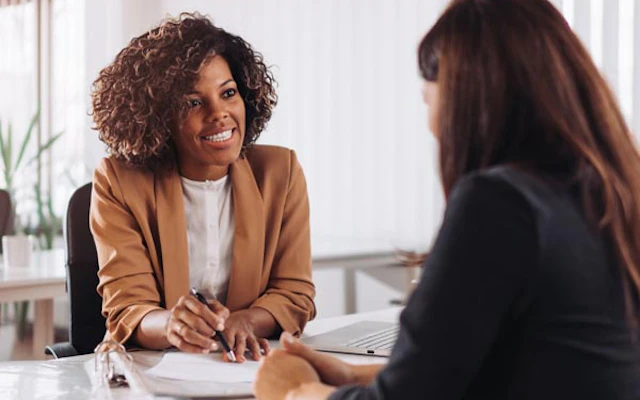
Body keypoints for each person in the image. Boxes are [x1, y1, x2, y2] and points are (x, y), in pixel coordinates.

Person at [254, 0, 640, 398]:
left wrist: (296, 391)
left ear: (466, 100)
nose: (433, 127)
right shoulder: (611, 190)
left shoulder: (500, 204)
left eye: (428, 99)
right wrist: (354, 376)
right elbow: (531, 363)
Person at [90, 13, 316, 362]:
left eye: (228, 93)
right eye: (193, 102)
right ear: (159, 116)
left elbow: (295, 294)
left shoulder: (279, 173)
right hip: (151, 372)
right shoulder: (118, 181)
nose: (219, 113)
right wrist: (171, 325)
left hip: (245, 368)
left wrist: (245, 321)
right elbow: (128, 308)